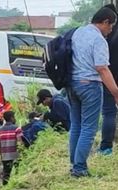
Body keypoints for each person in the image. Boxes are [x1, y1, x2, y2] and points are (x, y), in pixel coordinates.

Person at [66, 7, 118, 177]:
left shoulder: (77, 32)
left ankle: (74, 164)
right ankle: (79, 168)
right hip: (90, 86)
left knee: (76, 126)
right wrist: (116, 92)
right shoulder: (98, 39)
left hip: (72, 85)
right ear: (105, 22)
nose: (110, 31)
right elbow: (102, 68)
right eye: (111, 27)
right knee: (89, 128)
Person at [98, 4, 118, 156]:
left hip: (109, 77)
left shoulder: (105, 34)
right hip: (110, 75)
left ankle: (106, 148)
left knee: (109, 113)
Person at [0, 111, 23, 185]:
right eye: (14, 117)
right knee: (18, 172)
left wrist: (1, 154)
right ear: (11, 118)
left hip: (5, 155)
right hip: (16, 155)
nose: (15, 119)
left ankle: (5, 187)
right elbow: (20, 142)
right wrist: (22, 153)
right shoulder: (17, 128)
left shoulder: (0, 130)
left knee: (6, 174)